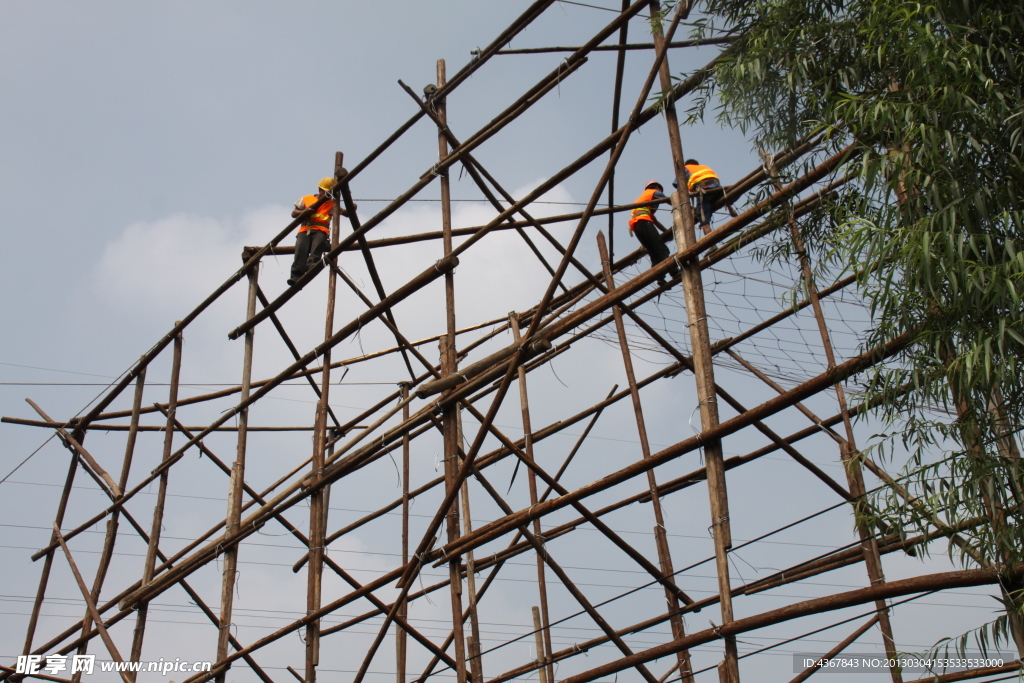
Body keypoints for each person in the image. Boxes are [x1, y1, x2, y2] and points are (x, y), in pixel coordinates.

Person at [288, 176, 345, 286]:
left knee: (316, 249)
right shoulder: (306, 199)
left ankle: (311, 269)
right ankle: (296, 276)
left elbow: (345, 213)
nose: (326, 194)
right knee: (300, 251)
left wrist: (353, 207)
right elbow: (293, 214)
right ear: (320, 190)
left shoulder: (332, 203)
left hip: (321, 230)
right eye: (324, 191)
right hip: (305, 229)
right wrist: (304, 211)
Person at [628, 180, 673, 273]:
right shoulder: (653, 192)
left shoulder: (644, 200)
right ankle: (674, 272)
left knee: (654, 254)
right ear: (657, 187)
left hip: (637, 227)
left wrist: (666, 232)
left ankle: (660, 278)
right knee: (663, 250)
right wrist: (683, 204)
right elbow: (669, 200)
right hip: (644, 222)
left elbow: (655, 221)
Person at [676, 159, 726, 231]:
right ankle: (728, 205)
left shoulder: (686, 168)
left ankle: (709, 237)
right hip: (718, 189)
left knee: (703, 218)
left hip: (704, 190)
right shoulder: (704, 167)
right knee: (725, 198)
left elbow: (678, 184)